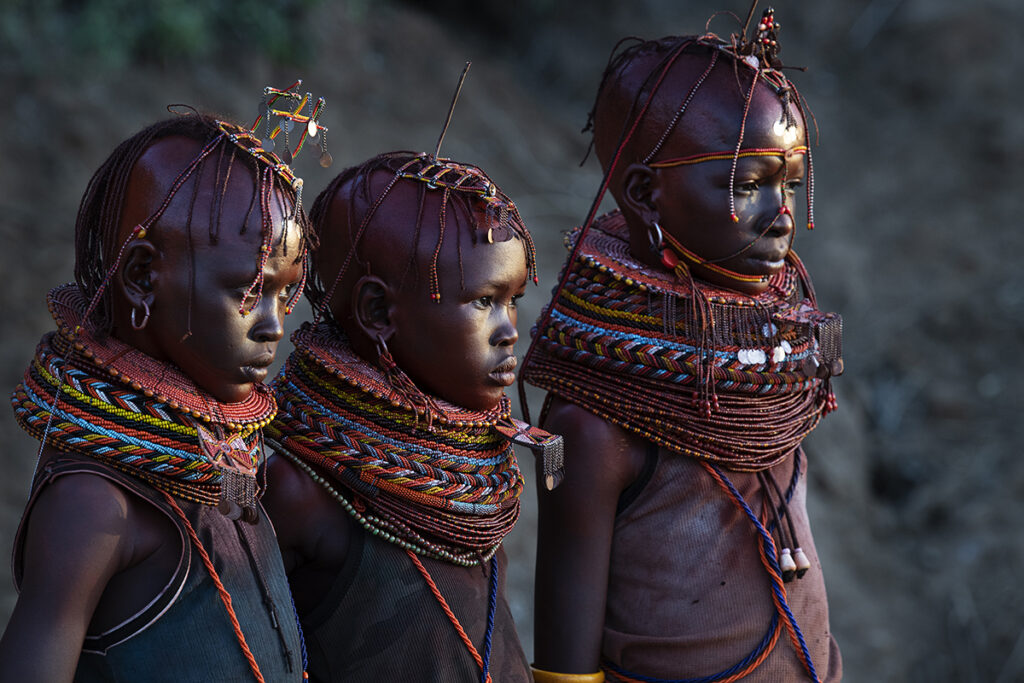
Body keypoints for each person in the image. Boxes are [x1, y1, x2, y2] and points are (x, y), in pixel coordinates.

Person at [521, 8, 844, 682]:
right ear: (647, 194)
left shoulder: (768, 365)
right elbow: (564, 661)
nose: (783, 213)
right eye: (749, 185)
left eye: (787, 183)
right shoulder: (592, 419)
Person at [2, 109, 318, 682]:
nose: (274, 325)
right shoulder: (96, 506)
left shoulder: (229, 465)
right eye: (248, 291)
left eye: (283, 293)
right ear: (144, 276)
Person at [263, 150, 550, 682]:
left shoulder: (466, 465)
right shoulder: (298, 487)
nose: (511, 328)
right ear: (378, 312)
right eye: (485, 300)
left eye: (513, 299)